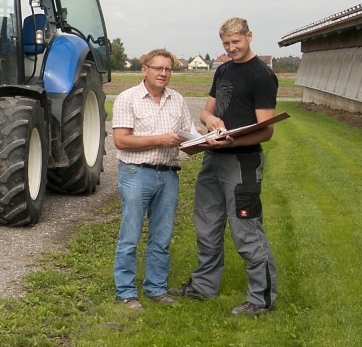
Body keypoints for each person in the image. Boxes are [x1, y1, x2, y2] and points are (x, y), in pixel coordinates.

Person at [169, 17, 279, 316]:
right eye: (226, 44)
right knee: (207, 224)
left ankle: (261, 298)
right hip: (213, 155)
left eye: (236, 42)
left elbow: (266, 129)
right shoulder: (224, 70)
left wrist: (232, 142)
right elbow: (207, 110)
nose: (231, 49)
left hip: (242, 161)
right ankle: (204, 286)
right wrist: (211, 121)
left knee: (246, 230)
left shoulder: (261, 76)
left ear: (249, 36)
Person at [113, 48, 194, 310]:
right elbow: (121, 141)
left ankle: (156, 288)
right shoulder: (128, 98)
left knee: (162, 236)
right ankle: (126, 292)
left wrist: (203, 136)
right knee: (130, 235)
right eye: (158, 68)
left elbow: (187, 133)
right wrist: (161, 139)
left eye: (168, 69)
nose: (163, 73)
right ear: (144, 69)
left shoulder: (177, 99)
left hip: (168, 174)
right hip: (137, 173)